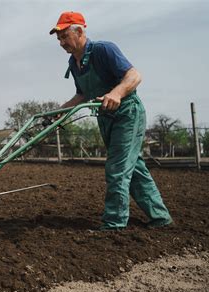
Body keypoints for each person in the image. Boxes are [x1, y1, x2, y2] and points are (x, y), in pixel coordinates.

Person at [50, 11, 172, 230]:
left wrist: (116, 93)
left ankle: (114, 223)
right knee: (133, 168)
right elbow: (82, 94)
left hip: (127, 113)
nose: (61, 42)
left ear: (79, 31)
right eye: (58, 38)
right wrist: (60, 111)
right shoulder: (74, 61)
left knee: (117, 167)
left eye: (64, 36)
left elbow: (134, 75)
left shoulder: (104, 49)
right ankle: (160, 217)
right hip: (106, 117)